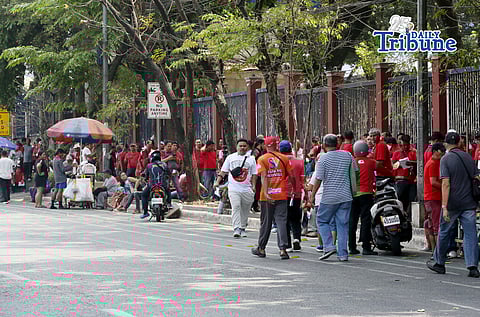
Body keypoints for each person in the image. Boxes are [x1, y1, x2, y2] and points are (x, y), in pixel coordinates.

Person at [427, 131, 480, 278]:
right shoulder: (468, 157)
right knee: (470, 235)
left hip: (452, 203)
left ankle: (439, 263)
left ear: (445, 143)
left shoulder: (446, 159)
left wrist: (444, 206)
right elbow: (476, 177)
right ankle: (473, 266)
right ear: (459, 142)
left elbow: (445, 183)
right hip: (469, 202)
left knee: (444, 232)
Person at [309, 134, 357, 262]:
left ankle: (329, 246)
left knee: (322, 220)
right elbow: (355, 171)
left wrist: (313, 195)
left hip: (329, 197)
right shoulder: (348, 155)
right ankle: (343, 254)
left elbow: (318, 179)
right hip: (346, 196)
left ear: (324, 145)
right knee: (342, 224)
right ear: (337, 144)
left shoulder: (323, 159)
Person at [251, 136, 295, 260]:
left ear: (266, 145)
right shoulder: (284, 158)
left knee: (266, 222)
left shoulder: (262, 158)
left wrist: (266, 193)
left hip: (267, 196)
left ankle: (261, 248)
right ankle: (283, 249)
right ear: (276, 145)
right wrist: (294, 189)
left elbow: (264, 177)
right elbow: (292, 176)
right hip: (281, 194)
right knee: (281, 221)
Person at [215, 139, 257, 238]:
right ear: (237, 147)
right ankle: (236, 228)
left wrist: (254, 186)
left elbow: (254, 174)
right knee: (236, 206)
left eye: (244, 146)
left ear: (247, 147)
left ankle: (243, 227)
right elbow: (223, 171)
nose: (242, 148)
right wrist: (217, 182)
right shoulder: (230, 158)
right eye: (240, 146)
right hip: (234, 188)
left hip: (247, 188)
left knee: (245, 209)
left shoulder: (251, 159)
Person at [349, 141, 377, 255]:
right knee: (366, 220)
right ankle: (366, 246)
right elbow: (385, 170)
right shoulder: (372, 162)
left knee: (352, 220)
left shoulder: (351, 162)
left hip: (353, 194)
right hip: (367, 194)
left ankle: (351, 246)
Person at [279, 140, 304, 252]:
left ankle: (287, 244)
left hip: (282, 193)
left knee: (284, 219)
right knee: (296, 217)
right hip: (296, 193)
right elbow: (302, 179)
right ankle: (297, 238)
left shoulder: (278, 161)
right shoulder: (299, 162)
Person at [423, 142, 446, 251]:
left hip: (431, 197)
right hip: (433, 197)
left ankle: (434, 250)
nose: (441, 156)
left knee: (431, 224)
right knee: (436, 225)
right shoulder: (433, 164)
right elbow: (433, 181)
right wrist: (445, 187)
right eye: (440, 154)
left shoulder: (435, 162)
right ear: (434, 152)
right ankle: (438, 251)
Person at [141, 151, 171, 219]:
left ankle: (145, 212)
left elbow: (146, 176)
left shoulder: (149, 165)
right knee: (168, 191)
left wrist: (145, 179)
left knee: (144, 195)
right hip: (162, 184)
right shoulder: (164, 164)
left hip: (152, 185)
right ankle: (169, 204)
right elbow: (169, 174)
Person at [392, 134, 417, 215]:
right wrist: (399, 163)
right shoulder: (397, 153)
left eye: (407, 145)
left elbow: (418, 163)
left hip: (411, 179)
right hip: (400, 179)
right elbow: (393, 165)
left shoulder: (413, 152)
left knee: (411, 198)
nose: (405, 147)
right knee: (400, 197)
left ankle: (409, 214)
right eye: (403, 145)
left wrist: (411, 163)